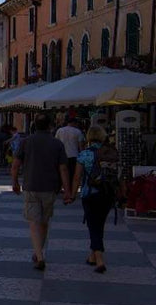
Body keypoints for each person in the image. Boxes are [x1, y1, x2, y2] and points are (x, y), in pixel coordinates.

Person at [11, 114, 72, 271]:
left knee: (33, 221)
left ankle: (39, 255)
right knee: (44, 222)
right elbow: (63, 168)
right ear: (50, 126)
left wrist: (15, 182)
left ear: (34, 126)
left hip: (31, 185)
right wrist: (67, 190)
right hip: (50, 187)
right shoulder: (57, 144)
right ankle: (39, 253)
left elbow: (15, 165)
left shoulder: (26, 142)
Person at [71, 125, 121, 274]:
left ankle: (99, 260)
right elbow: (120, 175)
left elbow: (77, 177)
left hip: (90, 193)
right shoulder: (111, 152)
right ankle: (92, 256)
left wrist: (72, 194)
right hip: (108, 193)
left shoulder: (85, 154)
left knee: (93, 225)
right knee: (99, 224)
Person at [55, 117, 85, 182]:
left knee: (62, 174)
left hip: (62, 156)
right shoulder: (78, 131)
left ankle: (63, 188)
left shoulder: (60, 130)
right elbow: (81, 147)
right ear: (74, 123)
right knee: (72, 174)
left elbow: (56, 144)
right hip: (74, 156)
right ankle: (71, 188)